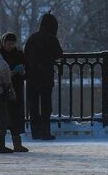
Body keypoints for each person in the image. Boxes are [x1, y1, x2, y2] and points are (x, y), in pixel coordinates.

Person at [24, 12, 63, 140]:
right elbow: (59, 54)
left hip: (31, 76)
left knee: (33, 104)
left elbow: (26, 55)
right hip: (45, 76)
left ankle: (36, 131)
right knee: (46, 105)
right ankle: (46, 132)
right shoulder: (52, 38)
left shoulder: (32, 37)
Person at [0, 32, 29, 152]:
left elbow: (27, 69)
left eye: (13, 44)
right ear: (3, 43)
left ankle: (17, 143)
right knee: (3, 115)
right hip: (4, 88)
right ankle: (0, 143)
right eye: (8, 43)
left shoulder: (19, 54)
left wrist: (22, 72)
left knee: (16, 116)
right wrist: (12, 72)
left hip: (16, 88)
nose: (11, 46)